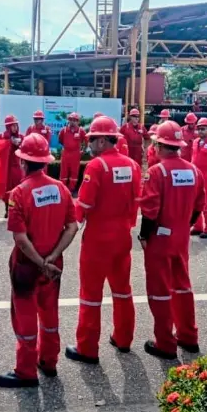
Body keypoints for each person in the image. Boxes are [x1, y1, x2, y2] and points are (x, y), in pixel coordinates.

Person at [0, 133, 78, 388]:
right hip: (54, 266)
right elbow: (72, 226)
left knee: (25, 316)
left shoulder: (19, 193)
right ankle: (49, 361)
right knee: (50, 312)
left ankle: (25, 371)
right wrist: (52, 258)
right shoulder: (61, 189)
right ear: (45, 162)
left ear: (22, 163)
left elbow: (20, 239)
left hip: (26, 267)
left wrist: (40, 262)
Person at [65, 116, 142, 364]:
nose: (90, 144)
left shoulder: (96, 167)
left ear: (101, 140)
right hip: (122, 238)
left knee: (90, 294)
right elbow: (135, 203)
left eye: (92, 140)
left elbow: (83, 206)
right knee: (123, 291)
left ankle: (87, 348)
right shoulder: (132, 166)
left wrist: (66, 231)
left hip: (98, 240)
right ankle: (124, 339)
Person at [139, 121, 206, 359]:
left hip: (160, 237)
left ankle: (165, 343)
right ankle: (189, 337)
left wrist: (143, 235)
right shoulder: (194, 170)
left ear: (159, 145)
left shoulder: (157, 172)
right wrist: (184, 226)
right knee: (182, 287)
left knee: (159, 291)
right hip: (180, 237)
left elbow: (149, 210)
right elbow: (199, 206)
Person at [0, 115, 24, 219]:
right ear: (7, 127)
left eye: (15, 125)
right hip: (5, 169)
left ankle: (17, 210)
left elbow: (25, 151)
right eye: (12, 126)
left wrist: (19, 144)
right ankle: (7, 209)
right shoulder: (1, 137)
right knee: (6, 191)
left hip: (16, 168)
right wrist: (7, 142)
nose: (15, 128)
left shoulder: (21, 137)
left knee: (17, 190)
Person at [58, 112, 86, 193]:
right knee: (63, 171)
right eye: (71, 120)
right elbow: (60, 140)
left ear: (78, 121)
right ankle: (62, 189)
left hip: (76, 154)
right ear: (68, 120)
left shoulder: (81, 131)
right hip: (66, 153)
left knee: (74, 172)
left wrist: (83, 150)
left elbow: (86, 140)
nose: (73, 122)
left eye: (75, 120)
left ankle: (71, 189)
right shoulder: (64, 130)